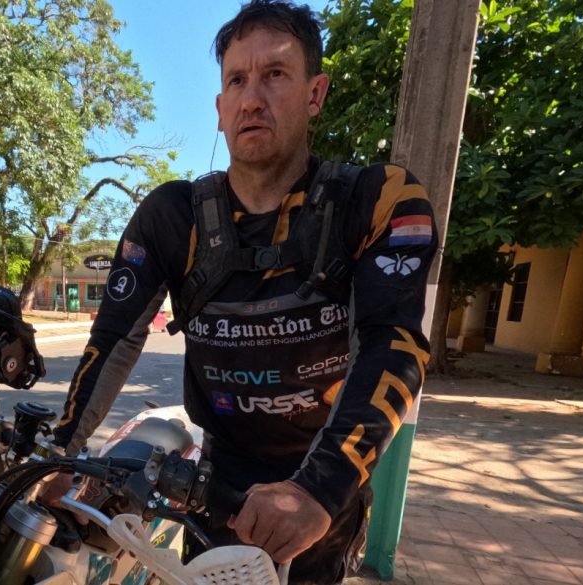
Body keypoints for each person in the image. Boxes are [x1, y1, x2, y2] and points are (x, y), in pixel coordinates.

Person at [43, 2, 437, 584]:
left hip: (322, 483)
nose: (252, 98)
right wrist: (61, 455)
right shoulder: (171, 216)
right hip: (217, 482)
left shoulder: (378, 199)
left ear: (315, 93)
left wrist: (318, 490)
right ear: (220, 109)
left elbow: (394, 346)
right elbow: (114, 338)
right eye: (236, 81)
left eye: (275, 74)